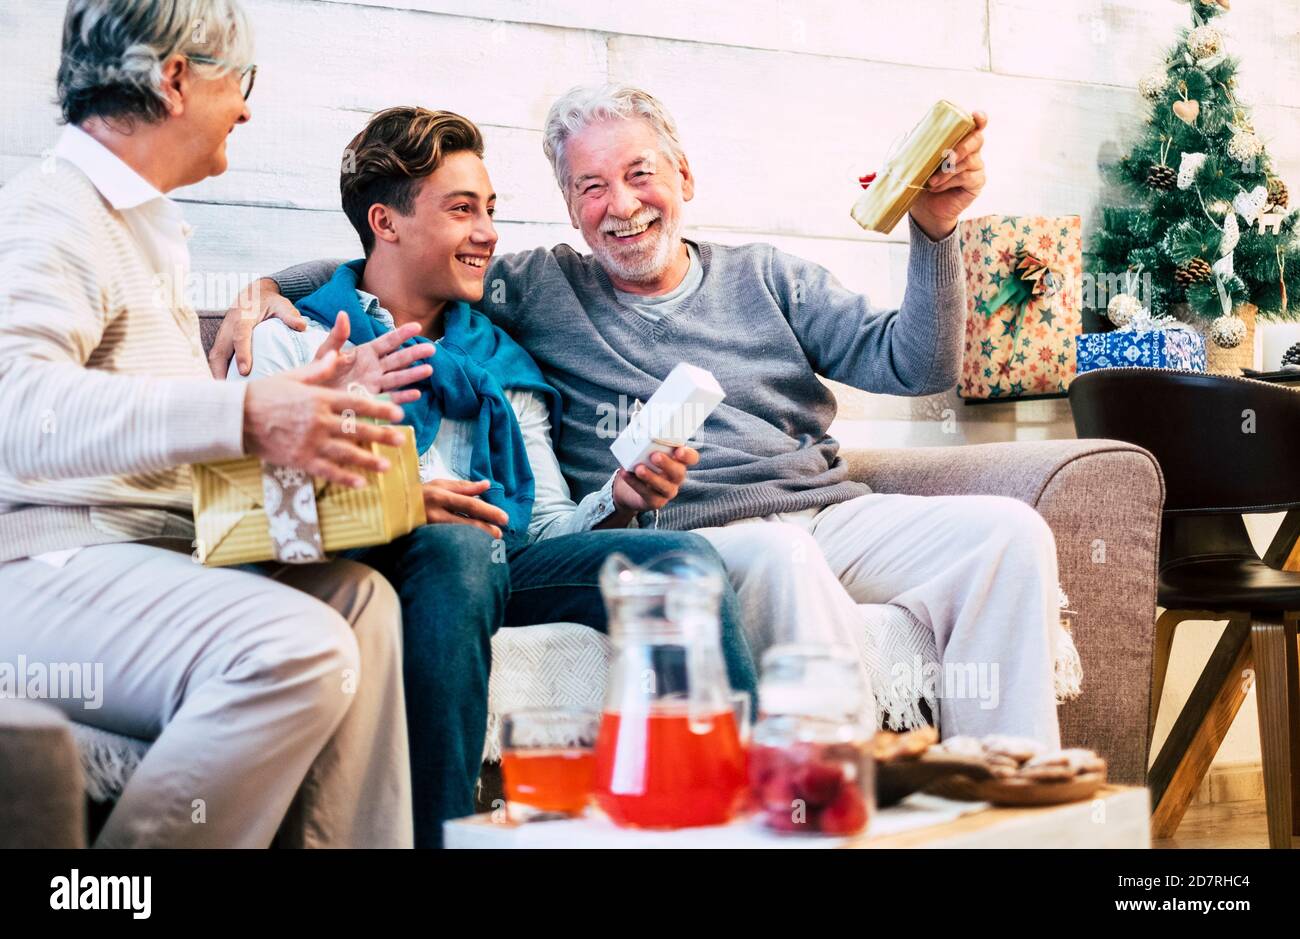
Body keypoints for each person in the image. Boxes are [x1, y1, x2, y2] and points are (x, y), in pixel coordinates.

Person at [215, 84, 1081, 747]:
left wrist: (934, 231)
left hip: (829, 512)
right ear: (568, 207)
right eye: (590, 187)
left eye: (639, 175)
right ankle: (823, 806)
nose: (621, 205)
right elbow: (399, 261)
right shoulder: (540, 285)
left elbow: (916, 363)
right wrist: (256, 293)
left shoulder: (768, 278)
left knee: (1012, 532)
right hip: (706, 529)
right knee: (771, 553)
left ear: (684, 178)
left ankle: (1016, 801)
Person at [225, 106, 759, 847]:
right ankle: (444, 835)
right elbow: (239, 518)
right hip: (377, 561)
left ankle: (736, 820)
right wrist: (348, 413)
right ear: (387, 222)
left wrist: (618, 500)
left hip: (498, 567)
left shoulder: (500, 359)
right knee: (457, 545)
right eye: (462, 209)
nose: (488, 233)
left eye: (490, 210)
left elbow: (539, 530)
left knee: (681, 560)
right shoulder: (299, 343)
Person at [0, 0, 414, 847]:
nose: (250, 108)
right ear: (177, 78)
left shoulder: (147, 228)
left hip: (146, 556)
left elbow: (174, 465)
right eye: (243, 82)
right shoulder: (53, 212)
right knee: (294, 646)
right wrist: (248, 409)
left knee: (363, 602)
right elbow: (17, 406)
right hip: (39, 565)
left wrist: (331, 435)